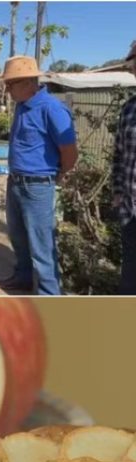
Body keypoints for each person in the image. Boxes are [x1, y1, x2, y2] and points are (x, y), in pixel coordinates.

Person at [0, 55, 78, 295]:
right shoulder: (22, 105)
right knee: (19, 239)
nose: (7, 89)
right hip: (16, 183)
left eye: (10, 84)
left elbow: (70, 152)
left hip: (38, 187)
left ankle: (49, 298)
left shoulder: (52, 109)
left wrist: (60, 173)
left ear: (28, 82)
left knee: (42, 250)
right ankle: (23, 279)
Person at [114, 40, 136, 294]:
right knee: (129, 281)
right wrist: (119, 193)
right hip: (130, 211)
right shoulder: (129, 109)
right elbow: (119, 155)